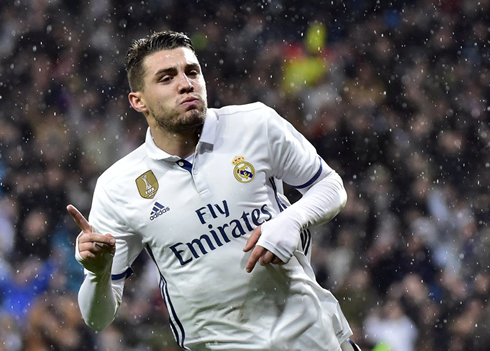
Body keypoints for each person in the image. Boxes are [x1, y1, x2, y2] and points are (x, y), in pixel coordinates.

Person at [67, 30, 361, 351]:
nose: (185, 83)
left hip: (316, 341)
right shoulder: (118, 186)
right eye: (166, 78)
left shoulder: (255, 125)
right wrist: (98, 275)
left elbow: (330, 186)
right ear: (139, 101)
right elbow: (97, 318)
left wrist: (292, 219)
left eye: (192, 72)